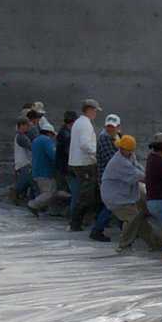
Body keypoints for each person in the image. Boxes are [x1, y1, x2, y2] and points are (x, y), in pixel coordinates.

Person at [100, 135, 162, 253]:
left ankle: (156, 244)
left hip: (123, 196)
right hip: (115, 197)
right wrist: (157, 179)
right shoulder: (119, 162)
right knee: (133, 217)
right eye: (123, 149)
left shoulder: (130, 156)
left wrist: (150, 174)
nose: (125, 151)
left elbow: (139, 168)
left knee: (139, 220)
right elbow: (138, 175)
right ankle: (124, 245)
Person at [68, 99, 101, 232]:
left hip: (79, 162)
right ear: (90, 109)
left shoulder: (79, 122)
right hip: (84, 163)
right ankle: (75, 223)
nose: (96, 113)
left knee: (87, 194)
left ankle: (80, 221)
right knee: (86, 196)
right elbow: (85, 144)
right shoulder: (85, 124)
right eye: (95, 111)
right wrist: (97, 153)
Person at [88, 114, 123, 242]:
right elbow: (113, 159)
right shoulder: (105, 138)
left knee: (118, 205)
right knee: (111, 205)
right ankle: (97, 230)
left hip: (114, 179)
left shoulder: (116, 137)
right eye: (108, 126)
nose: (110, 129)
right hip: (108, 179)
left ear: (118, 127)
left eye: (112, 127)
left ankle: (126, 229)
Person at [26, 118, 60, 216]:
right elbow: (53, 155)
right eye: (53, 135)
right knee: (49, 192)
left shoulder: (36, 140)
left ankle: (50, 210)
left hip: (36, 171)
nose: (53, 137)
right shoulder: (46, 141)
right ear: (49, 133)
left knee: (46, 191)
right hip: (45, 172)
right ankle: (33, 205)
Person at [11, 114, 36, 204]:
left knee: (29, 183)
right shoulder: (21, 137)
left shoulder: (21, 136)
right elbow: (31, 147)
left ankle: (28, 200)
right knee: (30, 183)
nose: (28, 127)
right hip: (24, 164)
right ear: (21, 125)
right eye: (27, 125)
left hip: (23, 164)